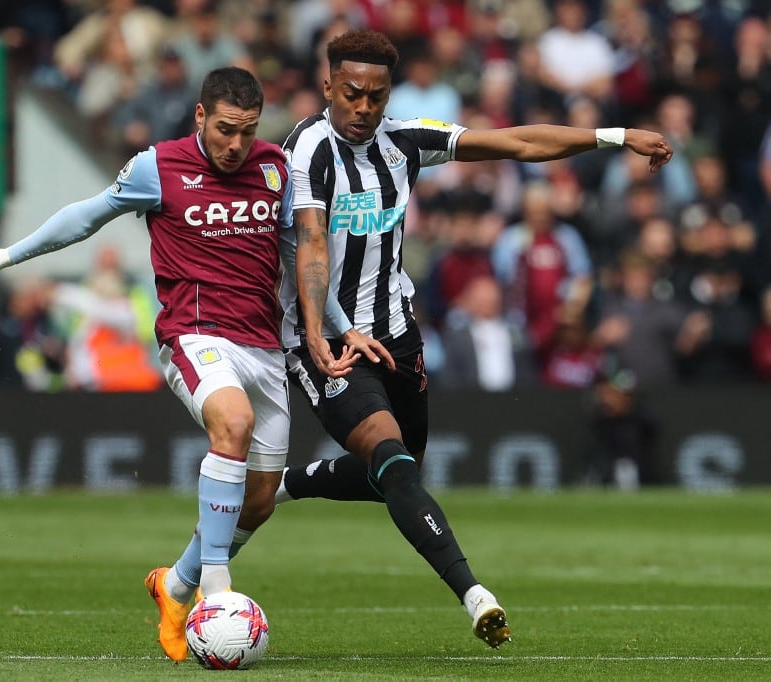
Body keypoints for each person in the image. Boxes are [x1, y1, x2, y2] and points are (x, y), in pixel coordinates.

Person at [0, 66, 385, 663]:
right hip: (195, 337)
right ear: (200, 117)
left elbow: (303, 263)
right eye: (226, 129)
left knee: (258, 502)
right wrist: (8, 254)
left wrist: (341, 325)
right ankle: (216, 594)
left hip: (262, 347)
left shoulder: (276, 169)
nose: (236, 144)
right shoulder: (159, 166)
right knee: (232, 423)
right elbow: (88, 215)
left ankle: (176, 585)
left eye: (248, 131)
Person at [269, 29, 672, 649]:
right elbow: (312, 245)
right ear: (328, 86)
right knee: (391, 460)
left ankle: (291, 483)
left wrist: (614, 136)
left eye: (376, 96)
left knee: (399, 472)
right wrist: (327, 328)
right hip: (326, 340)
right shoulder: (307, 150)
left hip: (397, 334)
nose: (364, 108)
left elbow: (516, 142)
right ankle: (474, 593)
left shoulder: (405, 141)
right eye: (351, 94)